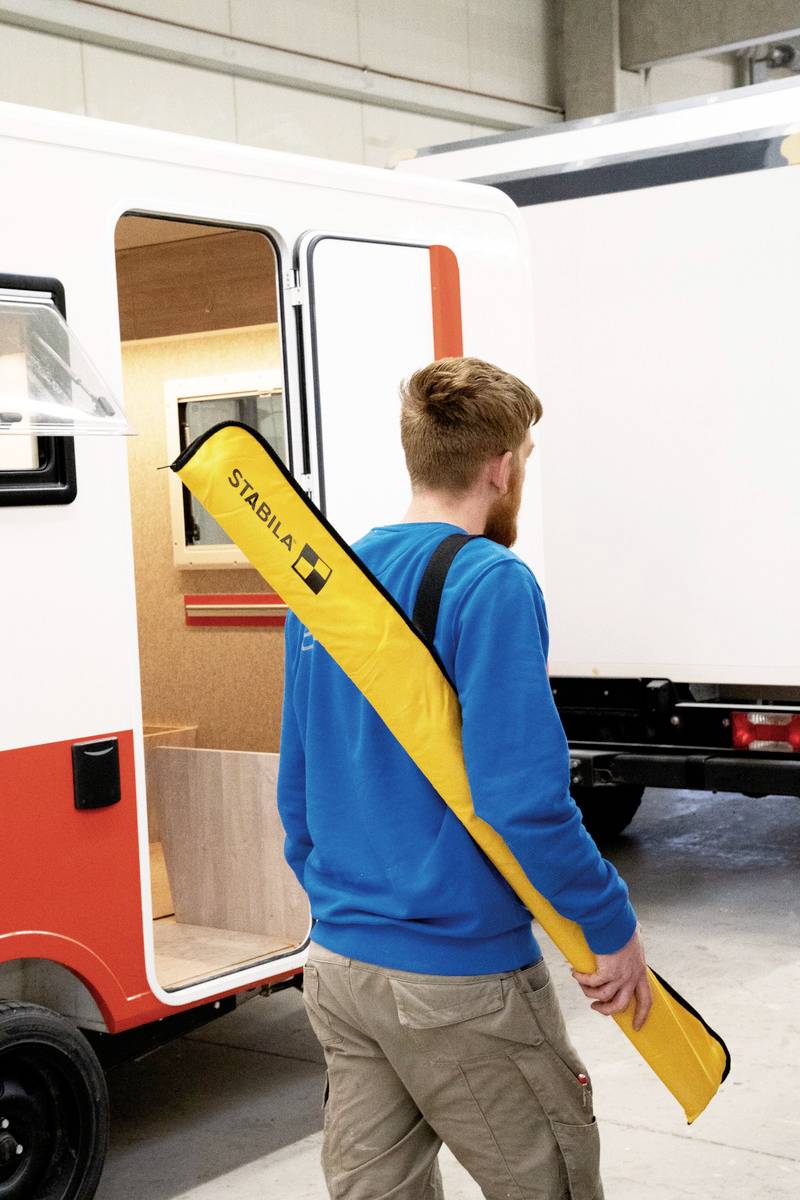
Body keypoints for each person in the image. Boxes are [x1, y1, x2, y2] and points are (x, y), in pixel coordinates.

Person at [277, 357, 652, 1200]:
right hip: (459, 977)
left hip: (338, 966)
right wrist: (610, 924)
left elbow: (295, 796)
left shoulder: (324, 584)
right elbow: (523, 801)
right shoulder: (491, 582)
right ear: (501, 467)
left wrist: (352, 905)